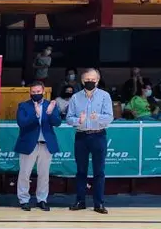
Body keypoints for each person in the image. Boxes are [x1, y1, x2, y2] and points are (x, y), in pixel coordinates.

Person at [66, 68, 114, 214]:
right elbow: (68, 118)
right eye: (87, 80)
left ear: (98, 80)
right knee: (81, 171)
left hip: (98, 135)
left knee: (99, 171)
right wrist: (77, 120)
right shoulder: (75, 97)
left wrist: (97, 118)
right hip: (81, 136)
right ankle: (80, 201)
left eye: (93, 80)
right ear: (82, 81)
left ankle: (98, 203)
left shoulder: (105, 96)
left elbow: (110, 117)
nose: (90, 82)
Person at [14, 81, 62, 212]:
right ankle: (24, 200)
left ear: (43, 91)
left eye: (38, 92)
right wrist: (35, 114)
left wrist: (50, 113)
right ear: (30, 92)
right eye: (33, 92)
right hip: (29, 144)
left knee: (44, 174)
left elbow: (57, 122)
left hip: (46, 145)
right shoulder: (23, 106)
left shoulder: (50, 105)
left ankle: (42, 199)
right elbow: (22, 123)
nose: (36, 94)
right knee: (24, 173)